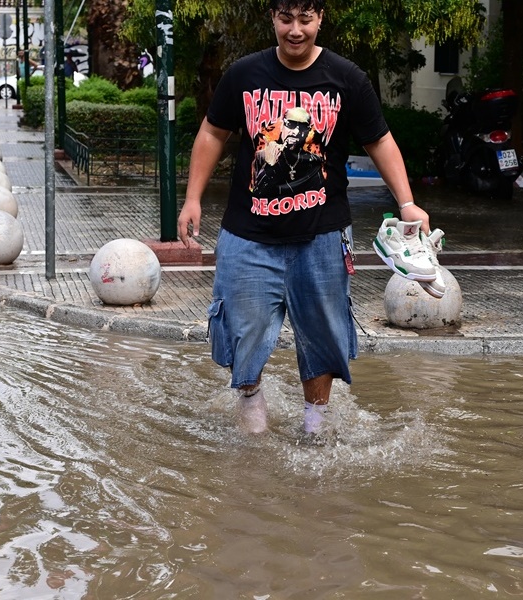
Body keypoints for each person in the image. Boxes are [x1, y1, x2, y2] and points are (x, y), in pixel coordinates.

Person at [177, 0, 430, 435]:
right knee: (242, 326)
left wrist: (407, 202)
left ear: (320, 20)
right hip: (248, 234)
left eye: (305, 19)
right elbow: (212, 132)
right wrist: (192, 198)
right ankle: (251, 401)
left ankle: (315, 418)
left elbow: (380, 141)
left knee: (322, 330)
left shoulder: (347, 79)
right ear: (273, 19)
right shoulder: (244, 74)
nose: (295, 30)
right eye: (286, 19)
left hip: (323, 236)